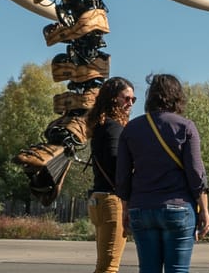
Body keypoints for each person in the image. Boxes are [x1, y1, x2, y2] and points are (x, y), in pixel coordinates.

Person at [117, 74, 209, 273]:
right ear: (177, 97)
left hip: (141, 208)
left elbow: (123, 177)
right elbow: (196, 174)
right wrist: (205, 211)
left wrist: (125, 209)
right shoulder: (185, 127)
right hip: (178, 208)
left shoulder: (131, 129)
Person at [85, 76, 136, 273]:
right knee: (109, 268)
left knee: (104, 265)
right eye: (127, 98)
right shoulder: (113, 128)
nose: (130, 103)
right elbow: (117, 167)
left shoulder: (100, 125)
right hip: (111, 202)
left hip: (98, 199)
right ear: (114, 98)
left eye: (133, 100)